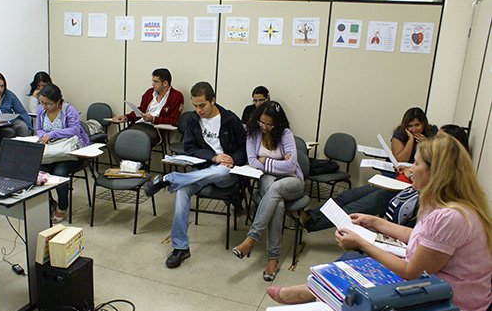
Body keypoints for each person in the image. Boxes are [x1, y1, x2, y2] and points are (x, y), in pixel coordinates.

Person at [267, 134, 492, 311]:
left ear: (436, 172)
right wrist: (374, 222)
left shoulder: (450, 217)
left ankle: (314, 296)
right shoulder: (444, 205)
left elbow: (411, 272)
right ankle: (315, 292)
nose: (410, 169)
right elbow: (417, 237)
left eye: (416, 163)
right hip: (435, 288)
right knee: (353, 261)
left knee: (359, 274)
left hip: (450, 306)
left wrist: (364, 243)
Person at [144, 82, 246, 269]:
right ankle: (180, 248)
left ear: (212, 101)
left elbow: (244, 148)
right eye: (195, 106)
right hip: (201, 170)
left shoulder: (231, 119)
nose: (198, 110)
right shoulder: (192, 120)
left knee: (222, 170)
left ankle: (169, 178)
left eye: (202, 105)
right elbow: (190, 148)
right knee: (182, 191)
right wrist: (214, 157)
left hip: (226, 173)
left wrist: (231, 159)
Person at [301, 107, 439, 232]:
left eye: (417, 125)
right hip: (390, 179)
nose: (414, 129)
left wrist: (425, 144)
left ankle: (310, 224)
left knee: (354, 208)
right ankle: (311, 215)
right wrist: (410, 140)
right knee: (346, 196)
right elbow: (400, 159)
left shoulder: (432, 138)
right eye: (410, 126)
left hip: (402, 189)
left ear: (424, 124)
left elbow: (431, 166)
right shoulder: (401, 134)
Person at [232, 102, 304, 281]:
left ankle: (251, 239)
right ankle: (273, 258)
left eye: (269, 125)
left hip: (293, 181)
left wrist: (266, 161)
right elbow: (252, 162)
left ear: (277, 124)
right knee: (277, 204)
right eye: (261, 122)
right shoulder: (253, 133)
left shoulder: (286, 134)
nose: (264, 127)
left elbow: (291, 166)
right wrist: (279, 164)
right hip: (267, 180)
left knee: (277, 188)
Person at [36, 83, 90, 223]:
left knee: (59, 173)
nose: (44, 106)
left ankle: (62, 207)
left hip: (70, 152)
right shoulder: (41, 111)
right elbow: (38, 129)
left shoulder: (68, 110)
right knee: (38, 172)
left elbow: (75, 130)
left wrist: (53, 134)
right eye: (42, 102)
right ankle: (49, 202)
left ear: (58, 101)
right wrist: (43, 136)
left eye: (48, 104)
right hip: (50, 152)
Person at [107, 68, 184, 163]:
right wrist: (126, 117)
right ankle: (128, 169)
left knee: (133, 145)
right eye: (153, 81)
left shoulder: (177, 96)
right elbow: (140, 110)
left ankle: (135, 170)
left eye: (156, 82)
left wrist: (153, 119)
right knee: (112, 143)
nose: (152, 84)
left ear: (165, 83)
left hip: (155, 129)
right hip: (138, 125)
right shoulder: (149, 93)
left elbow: (173, 120)